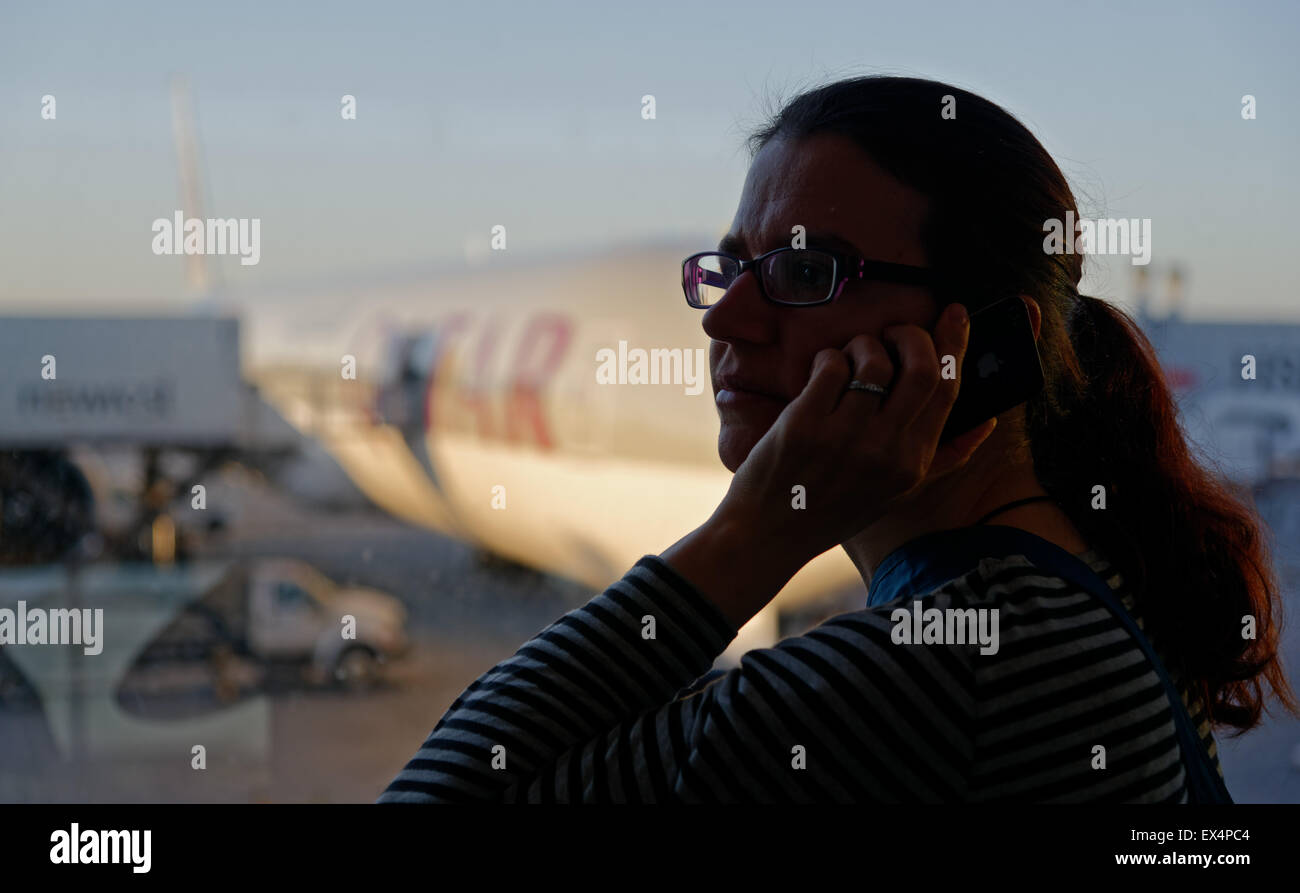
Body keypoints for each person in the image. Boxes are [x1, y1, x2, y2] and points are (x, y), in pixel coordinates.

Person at [379, 75, 1296, 802]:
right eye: (731, 267)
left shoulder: (938, 677)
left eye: (805, 269)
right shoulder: (1086, 579)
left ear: (980, 346)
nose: (726, 319)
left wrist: (750, 535)